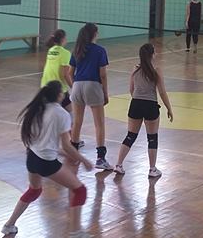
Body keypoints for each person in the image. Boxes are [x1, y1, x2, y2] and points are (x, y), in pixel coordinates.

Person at [1, 81, 93, 238]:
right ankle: (75, 232)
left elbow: (42, 143)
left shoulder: (38, 109)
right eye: (62, 92)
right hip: (46, 162)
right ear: (59, 95)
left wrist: (64, 153)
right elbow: (67, 144)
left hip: (32, 157)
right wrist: (83, 160)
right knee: (80, 190)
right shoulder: (62, 114)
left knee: (34, 190)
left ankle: (9, 225)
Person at [114, 44, 173, 177]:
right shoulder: (156, 70)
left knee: (130, 136)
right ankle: (152, 169)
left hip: (135, 103)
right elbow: (162, 92)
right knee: (152, 138)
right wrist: (169, 108)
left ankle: (118, 165)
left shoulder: (135, 69)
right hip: (150, 105)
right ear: (152, 55)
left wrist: (137, 101)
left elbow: (131, 89)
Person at [70, 23, 112, 170]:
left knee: (77, 122)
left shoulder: (76, 49)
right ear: (94, 34)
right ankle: (100, 158)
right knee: (99, 124)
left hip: (77, 85)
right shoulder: (100, 50)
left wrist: (76, 86)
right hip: (93, 85)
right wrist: (105, 93)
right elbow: (103, 74)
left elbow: (70, 72)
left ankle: (73, 155)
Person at [41, 29, 74, 111]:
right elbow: (65, 74)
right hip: (58, 87)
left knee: (48, 110)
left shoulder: (51, 50)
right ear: (63, 39)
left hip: (45, 85)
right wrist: (73, 87)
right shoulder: (66, 53)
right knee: (70, 110)